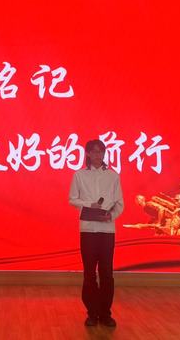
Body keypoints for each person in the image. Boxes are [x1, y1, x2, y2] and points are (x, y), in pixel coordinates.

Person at [69, 139, 124, 327]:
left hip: (107, 230)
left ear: (104, 153)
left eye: (100, 151)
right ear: (87, 154)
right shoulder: (79, 175)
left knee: (107, 272)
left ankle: (105, 313)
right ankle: (92, 312)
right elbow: (72, 199)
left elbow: (120, 203)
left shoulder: (113, 176)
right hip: (88, 230)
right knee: (89, 273)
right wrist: (89, 205)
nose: (97, 155)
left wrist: (111, 215)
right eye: (93, 152)